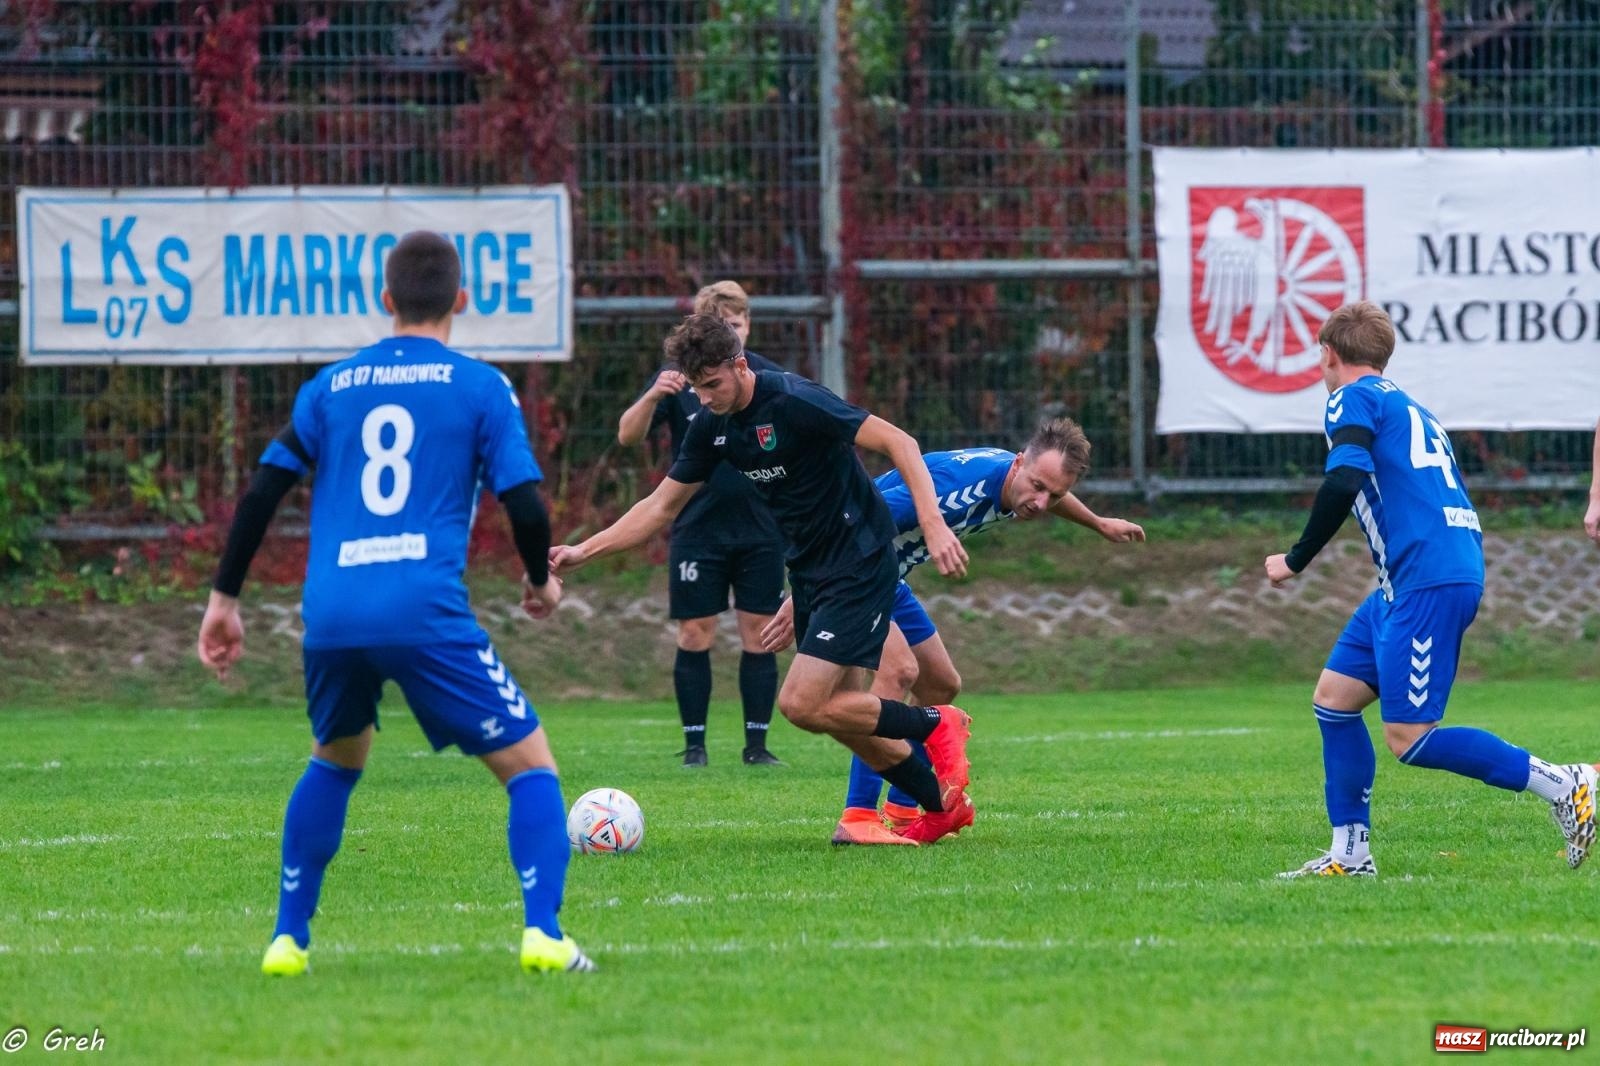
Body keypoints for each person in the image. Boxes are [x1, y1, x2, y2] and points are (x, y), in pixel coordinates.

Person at [196, 231, 595, 975]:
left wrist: (224, 600)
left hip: (333, 612)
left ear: (385, 301)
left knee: (335, 761)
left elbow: (261, 494)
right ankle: (544, 933)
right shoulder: (480, 387)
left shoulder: (330, 387)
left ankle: (287, 940)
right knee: (532, 768)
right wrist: (541, 580)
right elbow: (525, 503)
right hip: (423, 609)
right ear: (462, 301)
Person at [551, 313, 977, 843]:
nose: (703, 399)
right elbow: (661, 506)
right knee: (839, 716)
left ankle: (937, 723)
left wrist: (933, 525)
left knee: (801, 704)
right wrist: (583, 550)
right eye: (696, 388)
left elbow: (900, 442)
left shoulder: (794, 400)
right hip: (809, 571)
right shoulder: (713, 425)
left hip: (859, 559)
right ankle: (940, 804)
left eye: (712, 384)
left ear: (740, 364)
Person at [1264, 300, 1596, 878]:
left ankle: (1567, 783)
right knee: (1334, 701)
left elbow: (1344, 476)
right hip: (1414, 576)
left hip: (1427, 576)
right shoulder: (1411, 406)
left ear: (1328, 354)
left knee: (1410, 737)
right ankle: (1350, 853)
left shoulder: (1351, 395)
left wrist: (1296, 560)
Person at [759, 420, 1146, 845]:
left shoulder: (1017, 479)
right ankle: (858, 815)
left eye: (1052, 494)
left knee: (940, 682)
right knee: (899, 671)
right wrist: (808, 594)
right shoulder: (959, 489)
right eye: (1037, 486)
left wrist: (1098, 523)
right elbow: (857, 519)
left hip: (888, 575)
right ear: (1019, 463)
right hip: (848, 572)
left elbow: (1050, 489)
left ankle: (903, 809)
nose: (1041, 502)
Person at [614, 281, 785, 767]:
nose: (731, 332)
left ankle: (757, 746)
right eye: (721, 325)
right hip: (698, 526)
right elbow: (627, 436)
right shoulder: (679, 380)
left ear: (747, 326)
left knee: (760, 632)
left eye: (738, 323)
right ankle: (695, 746)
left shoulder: (769, 380)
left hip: (760, 526)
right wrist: (651, 397)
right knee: (695, 632)